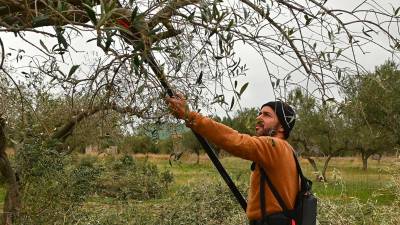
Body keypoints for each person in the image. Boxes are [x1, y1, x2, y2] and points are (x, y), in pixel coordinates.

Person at [166, 94, 299, 225]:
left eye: (266, 115)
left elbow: (234, 140)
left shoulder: (274, 146)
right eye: (259, 113)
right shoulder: (289, 151)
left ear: (282, 127)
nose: (258, 117)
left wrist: (190, 116)